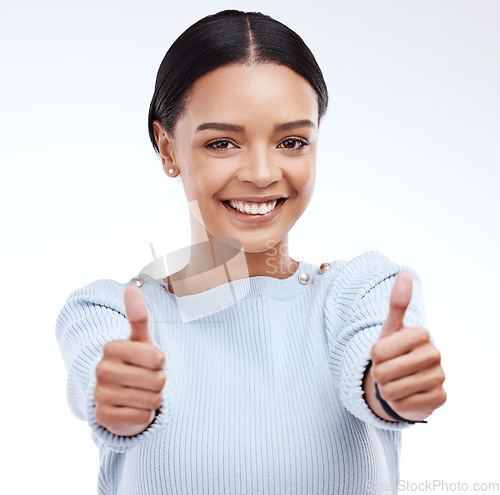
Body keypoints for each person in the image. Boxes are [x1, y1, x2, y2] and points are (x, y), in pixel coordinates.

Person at [55, 9, 446, 495]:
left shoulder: (364, 292)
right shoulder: (109, 313)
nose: (262, 173)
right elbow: (99, 378)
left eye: (292, 141)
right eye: (222, 142)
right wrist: (118, 398)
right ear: (168, 148)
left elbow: (374, 370)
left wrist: (392, 387)